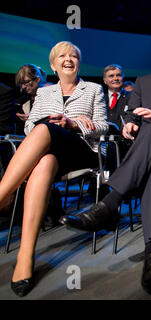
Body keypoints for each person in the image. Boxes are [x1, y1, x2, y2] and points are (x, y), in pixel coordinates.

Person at [60, 27, 151, 294]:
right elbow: (130, 116)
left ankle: (109, 203)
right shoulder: (144, 82)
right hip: (149, 154)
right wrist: (129, 125)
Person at [0, 41, 108, 297]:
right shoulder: (45, 93)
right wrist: (44, 125)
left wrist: (72, 124)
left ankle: (2, 195)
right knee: (44, 159)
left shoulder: (93, 89)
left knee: (46, 130)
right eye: (62, 56)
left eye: (73, 56)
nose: (68, 59)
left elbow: (104, 126)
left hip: (81, 150)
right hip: (50, 152)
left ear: (78, 63)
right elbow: (28, 129)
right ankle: (25, 256)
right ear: (53, 64)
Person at [14, 64, 49, 134]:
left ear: (37, 79)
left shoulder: (52, 95)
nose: (23, 87)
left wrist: (33, 118)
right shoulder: (25, 100)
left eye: (26, 82)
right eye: (21, 83)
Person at [103, 64, 130, 134]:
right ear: (105, 81)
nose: (116, 78)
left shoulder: (132, 97)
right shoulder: (100, 98)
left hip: (124, 140)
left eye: (118, 75)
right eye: (111, 76)